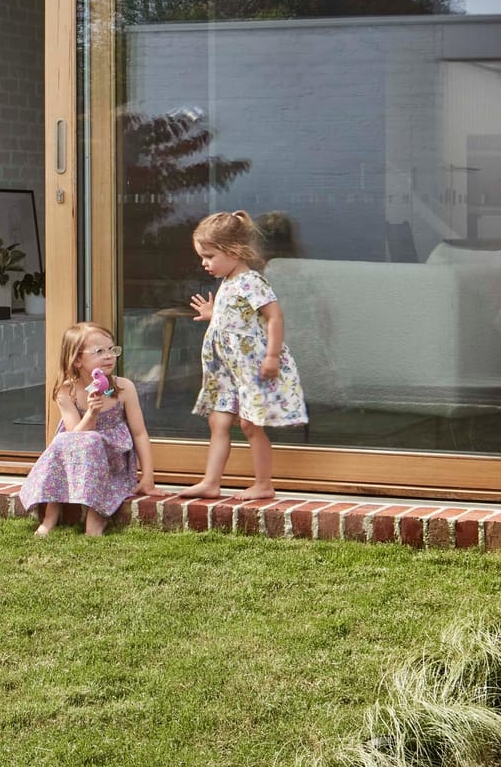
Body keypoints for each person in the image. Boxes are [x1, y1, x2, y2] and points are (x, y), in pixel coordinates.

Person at [181, 208, 307, 503]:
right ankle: (211, 482)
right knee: (218, 421)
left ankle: (264, 483)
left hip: (253, 369)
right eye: (202, 257)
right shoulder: (228, 282)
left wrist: (272, 357)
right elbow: (237, 320)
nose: (204, 263)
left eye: (209, 256)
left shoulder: (251, 281)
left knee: (251, 425)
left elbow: (274, 317)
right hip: (229, 372)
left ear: (233, 251)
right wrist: (214, 314)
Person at [17, 320, 157, 537]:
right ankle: (50, 516)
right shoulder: (66, 392)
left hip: (113, 460)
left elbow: (140, 433)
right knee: (64, 441)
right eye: (99, 351)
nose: (109, 355)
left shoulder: (123, 388)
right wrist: (92, 413)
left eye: (112, 349)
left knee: (88, 441)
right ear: (77, 360)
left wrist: (147, 476)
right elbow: (76, 435)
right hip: (75, 455)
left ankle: (97, 516)